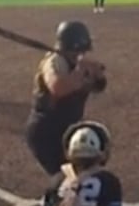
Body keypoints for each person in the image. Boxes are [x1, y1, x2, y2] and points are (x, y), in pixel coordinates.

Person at [22, 21, 106, 179]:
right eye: (81, 50)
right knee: (67, 179)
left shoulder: (77, 63)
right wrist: (80, 70)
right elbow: (58, 88)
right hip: (46, 132)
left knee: (81, 175)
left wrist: (96, 73)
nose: (83, 53)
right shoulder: (53, 62)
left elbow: (99, 86)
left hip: (67, 131)